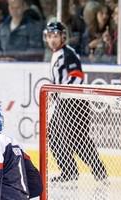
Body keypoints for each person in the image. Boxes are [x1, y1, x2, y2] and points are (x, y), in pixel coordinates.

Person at [44, 21, 108, 183]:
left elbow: (77, 76)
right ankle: (69, 171)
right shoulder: (55, 54)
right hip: (63, 103)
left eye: (56, 36)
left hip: (74, 102)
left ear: (63, 37)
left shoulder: (68, 53)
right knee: (54, 136)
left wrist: (63, 92)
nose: (52, 39)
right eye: (50, 36)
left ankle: (99, 172)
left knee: (78, 139)